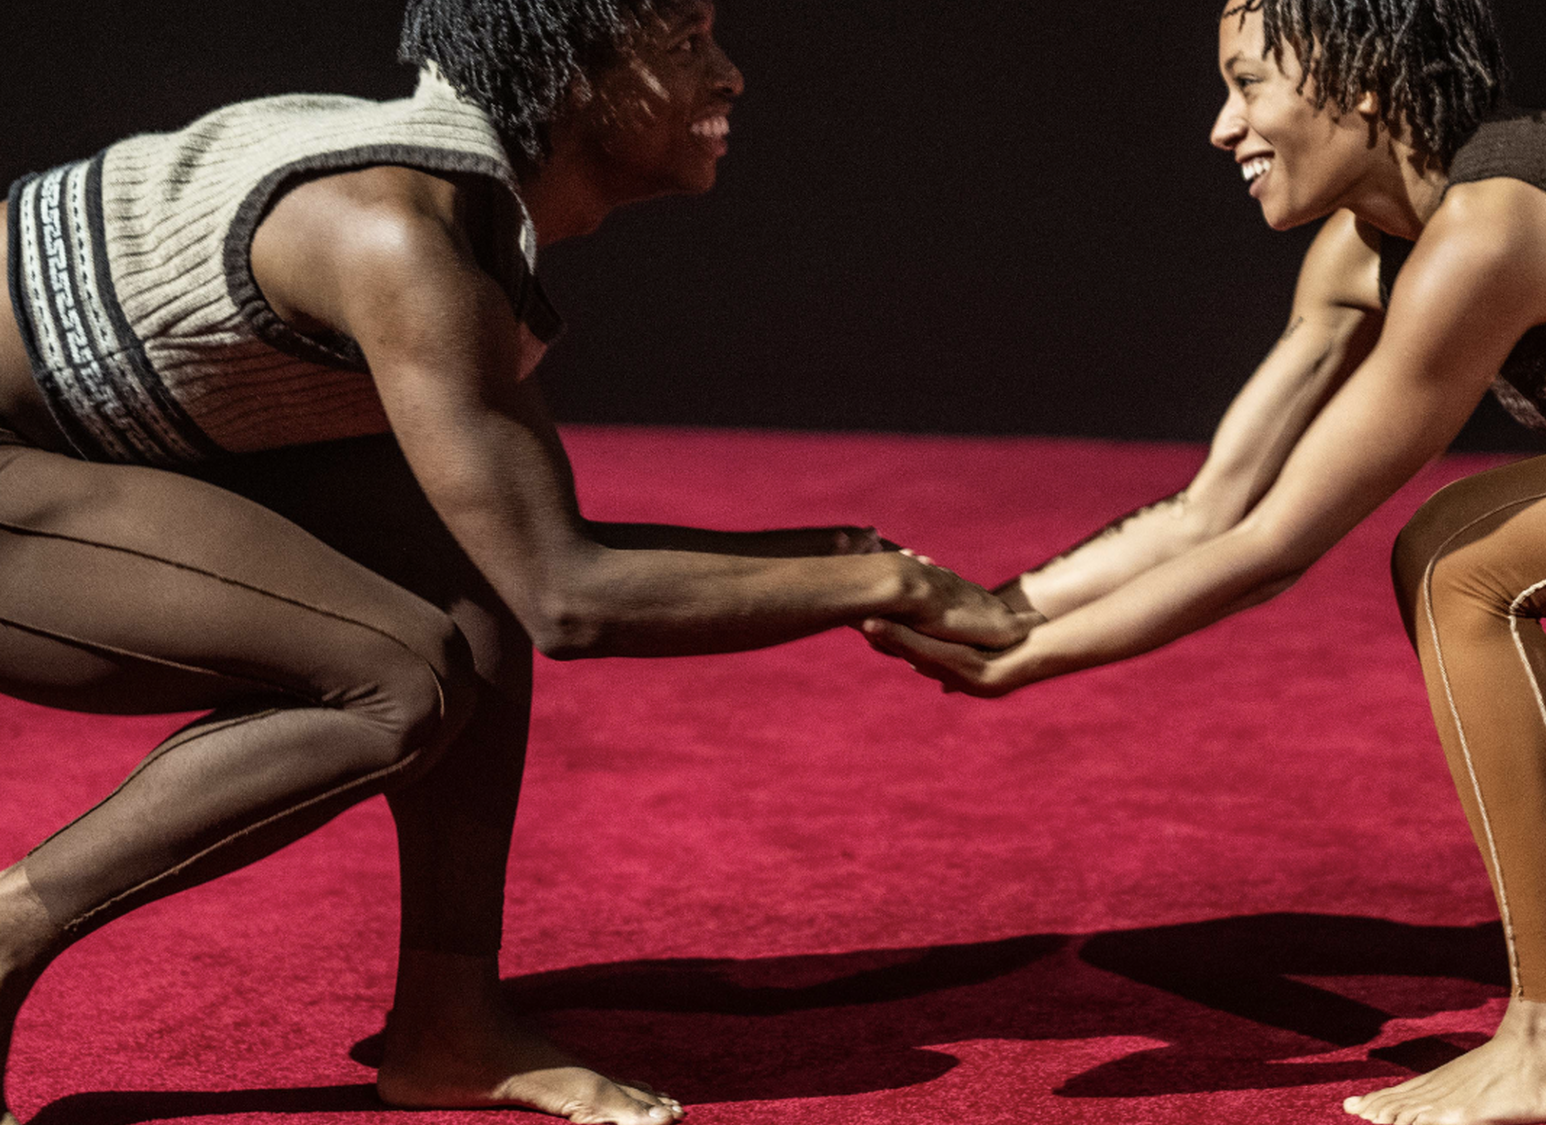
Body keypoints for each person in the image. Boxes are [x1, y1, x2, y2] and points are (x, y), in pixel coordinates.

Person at [863, 1, 1546, 1122]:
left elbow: (1275, 547)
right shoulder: (1362, 251)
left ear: (1360, 84)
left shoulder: (1491, 227)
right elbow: (1216, 505)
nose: (1221, 125)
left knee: (1459, 554)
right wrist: (1004, 609)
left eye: (1248, 84)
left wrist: (1033, 661)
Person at [0, 2, 1031, 1122]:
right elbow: (571, 598)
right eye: (683, 43)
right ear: (567, 74)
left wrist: (844, 556)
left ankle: (450, 1029)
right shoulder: (398, 240)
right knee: (399, 679)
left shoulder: (451, 215)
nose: (729, 75)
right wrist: (885, 582)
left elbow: (534, 555)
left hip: (73, 447)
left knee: (465, 574)